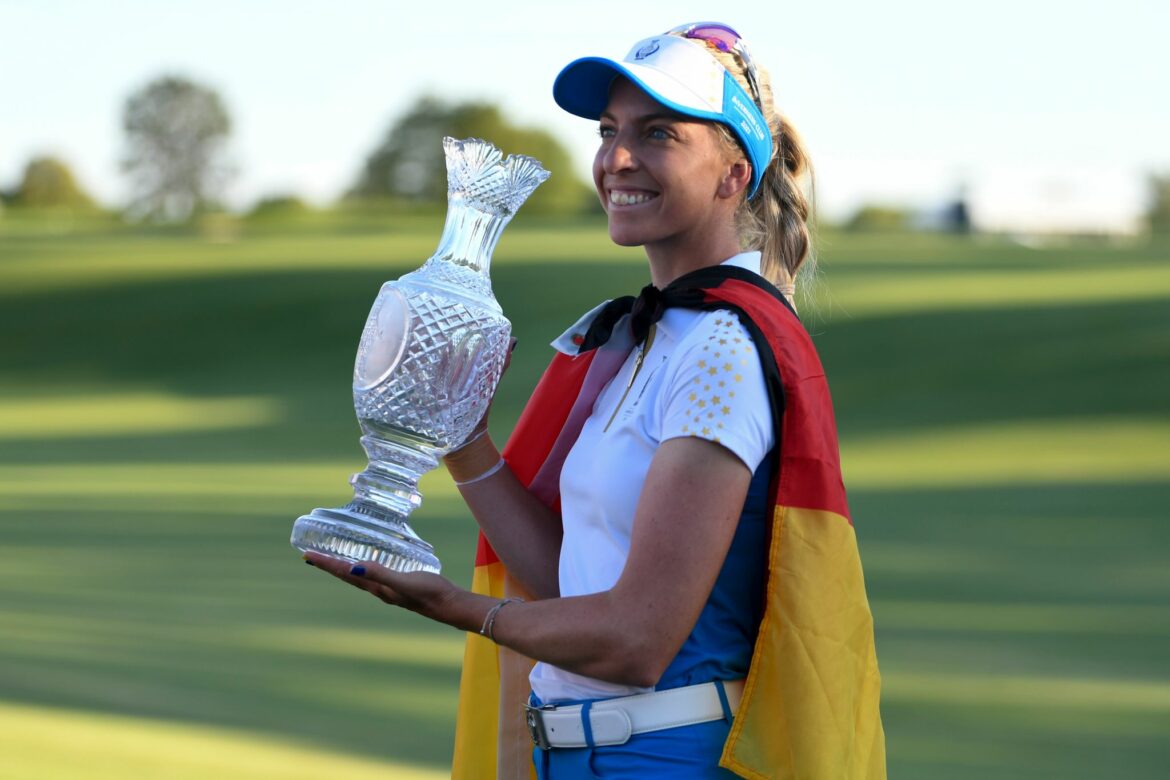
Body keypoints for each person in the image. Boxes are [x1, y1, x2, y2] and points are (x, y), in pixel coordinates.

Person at [306, 22, 885, 779]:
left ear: (733, 172)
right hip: (581, 758)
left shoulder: (722, 347)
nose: (615, 159)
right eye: (608, 131)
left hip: (665, 759)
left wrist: (451, 606)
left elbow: (637, 642)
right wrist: (464, 439)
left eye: (658, 134)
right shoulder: (649, 337)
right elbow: (571, 588)